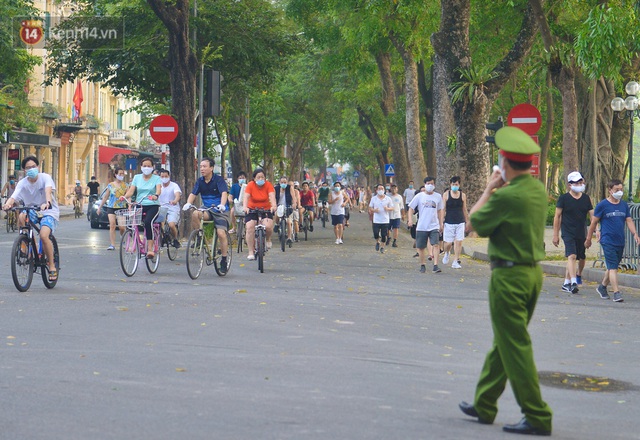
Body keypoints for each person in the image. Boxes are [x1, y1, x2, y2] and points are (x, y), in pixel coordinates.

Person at [459, 126, 552, 436]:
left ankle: (537, 415)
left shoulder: (507, 196)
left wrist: (488, 189)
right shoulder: (536, 189)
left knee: (515, 346)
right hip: (532, 274)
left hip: (509, 277)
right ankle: (485, 403)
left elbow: (473, 222)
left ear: (504, 162)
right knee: (506, 341)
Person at [2, 156, 59, 281]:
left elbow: (48, 192)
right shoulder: (23, 182)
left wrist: (47, 202)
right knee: (22, 215)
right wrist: (8, 204)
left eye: (33, 166)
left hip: (48, 210)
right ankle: (26, 243)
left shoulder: (45, 178)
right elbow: (14, 196)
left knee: (44, 236)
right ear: (24, 170)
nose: (31, 169)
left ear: (38, 167)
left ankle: (52, 265)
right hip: (32, 210)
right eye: (28, 168)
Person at [585, 179, 640, 303]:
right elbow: (593, 222)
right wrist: (589, 239)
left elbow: (629, 220)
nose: (619, 192)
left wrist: (635, 233)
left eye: (621, 189)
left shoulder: (624, 205)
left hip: (620, 240)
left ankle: (602, 287)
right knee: (613, 268)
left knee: (612, 266)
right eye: (617, 190)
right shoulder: (602, 205)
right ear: (610, 190)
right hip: (607, 240)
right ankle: (616, 292)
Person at [182, 158, 230, 272]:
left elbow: (224, 193)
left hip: (220, 210)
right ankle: (199, 238)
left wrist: (222, 205)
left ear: (211, 168)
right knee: (195, 213)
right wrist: (189, 203)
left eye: (205, 166)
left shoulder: (219, 180)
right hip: (207, 209)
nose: (202, 169)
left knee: (221, 233)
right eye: (201, 166)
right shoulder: (200, 181)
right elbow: (193, 193)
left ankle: (223, 259)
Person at [552, 171, 593, 293]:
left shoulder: (586, 199)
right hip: (567, 232)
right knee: (572, 256)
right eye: (576, 182)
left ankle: (567, 282)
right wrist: (555, 234)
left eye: (580, 182)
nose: (579, 184)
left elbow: (592, 216)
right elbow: (557, 216)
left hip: (581, 232)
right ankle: (574, 282)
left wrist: (595, 230)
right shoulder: (564, 198)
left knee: (581, 257)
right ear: (570, 185)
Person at [122, 157, 162, 259]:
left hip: (153, 205)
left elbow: (158, 190)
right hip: (139, 204)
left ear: (152, 167)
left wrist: (156, 196)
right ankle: (132, 242)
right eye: (144, 166)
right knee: (131, 221)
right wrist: (124, 197)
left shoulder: (156, 178)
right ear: (141, 167)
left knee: (148, 222)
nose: (146, 168)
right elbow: (131, 191)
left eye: (149, 166)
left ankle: (150, 249)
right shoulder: (137, 177)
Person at [407, 177, 443, 273]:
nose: (430, 185)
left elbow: (440, 211)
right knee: (421, 247)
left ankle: (435, 265)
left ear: (434, 185)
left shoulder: (438, 197)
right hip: (422, 226)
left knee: (436, 244)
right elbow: (410, 208)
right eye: (428, 183)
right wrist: (410, 220)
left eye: (431, 183)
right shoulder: (419, 196)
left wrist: (441, 223)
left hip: (434, 225)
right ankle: (422, 264)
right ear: (425, 184)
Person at [243, 168, 276, 259]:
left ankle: (268, 239)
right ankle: (251, 251)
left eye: (262, 177)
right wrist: (245, 207)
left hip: (265, 209)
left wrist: (273, 206)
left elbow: (272, 196)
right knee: (250, 227)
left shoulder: (268, 185)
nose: (261, 179)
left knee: (268, 226)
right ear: (254, 178)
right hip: (252, 209)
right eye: (258, 177)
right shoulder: (250, 185)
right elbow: (246, 197)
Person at [97, 167, 129, 250]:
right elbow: (105, 197)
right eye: (120, 174)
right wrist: (99, 207)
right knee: (112, 225)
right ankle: (112, 244)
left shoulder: (126, 185)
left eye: (122, 174)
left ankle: (123, 238)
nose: (121, 175)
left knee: (122, 227)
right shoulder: (110, 185)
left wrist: (129, 205)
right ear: (115, 174)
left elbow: (128, 196)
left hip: (121, 207)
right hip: (111, 207)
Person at [442, 176, 470, 269]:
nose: (455, 186)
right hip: (449, 221)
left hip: (460, 221)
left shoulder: (463, 195)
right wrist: (441, 221)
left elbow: (464, 209)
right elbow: (443, 209)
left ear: (459, 185)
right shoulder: (446, 195)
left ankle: (455, 260)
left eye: (456, 184)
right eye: (453, 184)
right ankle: (447, 252)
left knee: (459, 241)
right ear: (450, 185)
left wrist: (467, 221)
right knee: (448, 243)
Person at [158, 169, 182, 248]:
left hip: (172, 208)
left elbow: (177, 195)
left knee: (171, 225)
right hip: (161, 207)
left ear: (169, 176)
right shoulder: (158, 185)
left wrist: (175, 201)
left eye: (166, 176)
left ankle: (175, 239)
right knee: (159, 224)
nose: (164, 178)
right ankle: (162, 237)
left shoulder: (174, 185)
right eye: (162, 176)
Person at [368, 183, 394, 253]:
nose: (380, 190)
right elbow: (370, 207)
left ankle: (382, 246)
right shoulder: (374, 198)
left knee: (383, 235)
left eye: (382, 189)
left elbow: (392, 208)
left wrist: (387, 209)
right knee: (376, 234)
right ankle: (377, 242)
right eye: (379, 189)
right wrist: (374, 210)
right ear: (376, 190)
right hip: (376, 219)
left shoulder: (388, 198)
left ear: (384, 190)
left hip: (385, 220)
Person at [274, 176, 296, 245]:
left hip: (287, 206)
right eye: (282, 182)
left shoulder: (290, 188)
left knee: (289, 222)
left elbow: (293, 197)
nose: (283, 184)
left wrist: (294, 204)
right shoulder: (276, 188)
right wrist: (274, 205)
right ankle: (276, 224)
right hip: (278, 206)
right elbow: (273, 198)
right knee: (276, 215)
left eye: (285, 182)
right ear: (279, 183)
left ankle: (289, 237)